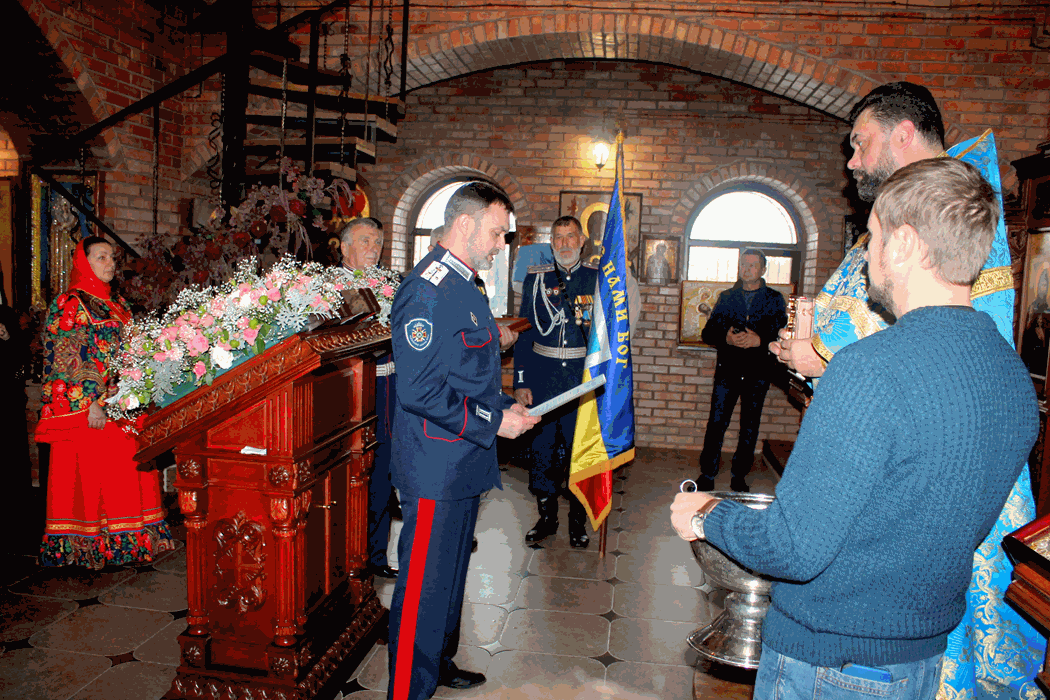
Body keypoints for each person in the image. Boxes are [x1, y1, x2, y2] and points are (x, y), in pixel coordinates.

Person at [672, 157, 1038, 700]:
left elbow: (792, 548)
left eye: (872, 237)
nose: (866, 255)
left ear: (905, 243)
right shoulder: (1012, 374)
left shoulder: (869, 369)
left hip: (830, 662)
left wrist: (707, 513)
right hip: (920, 658)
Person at [770, 81, 1046, 699]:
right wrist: (809, 356)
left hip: (925, 476)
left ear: (902, 134)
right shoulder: (900, 215)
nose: (851, 161)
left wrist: (822, 358)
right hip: (875, 453)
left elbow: (944, 358)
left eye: (860, 143)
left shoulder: (951, 213)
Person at [388, 182, 539, 700]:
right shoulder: (427, 290)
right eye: (497, 233)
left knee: (449, 576)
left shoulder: (464, 284)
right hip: (436, 463)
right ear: (466, 224)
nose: (501, 245)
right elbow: (420, 390)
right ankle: (407, 689)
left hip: (461, 459)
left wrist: (504, 406)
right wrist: (492, 422)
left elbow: (468, 375)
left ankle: (437, 662)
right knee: (423, 586)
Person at [36, 237, 175, 568]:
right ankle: (93, 547)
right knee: (94, 477)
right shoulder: (71, 303)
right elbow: (63, 357)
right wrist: (88, 403)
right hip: (92, 407)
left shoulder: (118, 304)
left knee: (126, 473)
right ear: (83, 262)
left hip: (124, 403)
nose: (110, 263)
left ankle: (132, 543)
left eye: (112, 257)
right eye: (101, 257)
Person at [513, 216, 598, 548]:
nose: (564, 244)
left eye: (570, 236)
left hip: (581, 380)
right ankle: (546, 518)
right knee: (543, 451)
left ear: (582, 241)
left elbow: (607, 334)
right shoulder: (536, 279)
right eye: (558, 238)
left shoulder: (597, 279)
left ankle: (578, 521)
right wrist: (521, 380)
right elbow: (524, 333)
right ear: (551, 244)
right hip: (543, 379)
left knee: (580, 452)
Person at [339, 216, 400, 579]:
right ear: (344, 247)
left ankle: (376, 555)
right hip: (350, 394)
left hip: (389, 391)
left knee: (382, 475)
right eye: (365, 241)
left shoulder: (389, 284)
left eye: (377, 243)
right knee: (352, 475)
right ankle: (348, 556)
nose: (373, 249)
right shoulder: (327, 288)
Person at [696, 249, 786, 492]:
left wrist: (761, 340)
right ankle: (707, 473)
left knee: (749, 425)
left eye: (753, 265)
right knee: (717, 423)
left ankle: (739, 476)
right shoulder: (727, 297)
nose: (747, 269)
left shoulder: (774, 299)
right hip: (728, 371)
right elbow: (708, 333)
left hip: (758, 372)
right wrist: (726, 337)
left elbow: (781, 332)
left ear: (763, 270)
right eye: (743, 264)